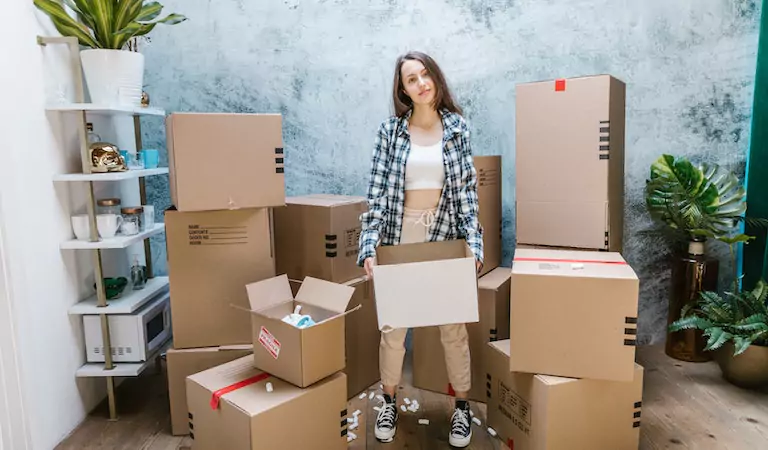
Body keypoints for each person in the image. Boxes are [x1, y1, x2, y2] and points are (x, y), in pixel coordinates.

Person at [357, 50, 483, 448]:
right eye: (412, 79)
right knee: (394, 330)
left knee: (453, 327)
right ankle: (390, 399)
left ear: (436, 78)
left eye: (425, 74)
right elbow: (375, 195)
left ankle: (461, 407)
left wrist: (473, 246)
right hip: (399, 239)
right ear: (403, 90)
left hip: (444, 236)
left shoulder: (457, 129)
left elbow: (466, 193)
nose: (421, 83)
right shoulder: (389, 132)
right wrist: (369, 246)